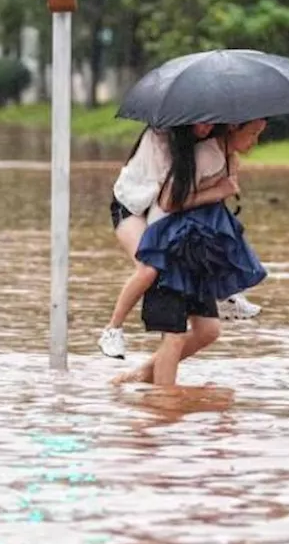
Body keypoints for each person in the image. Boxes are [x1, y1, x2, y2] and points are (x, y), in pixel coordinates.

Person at [112, 118, 268, 387]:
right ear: (232, 127)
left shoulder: (216, 154)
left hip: (188, 244)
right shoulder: (193, 150)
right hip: (164, 239)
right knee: (170, 326)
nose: (256, 141)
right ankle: (163, 400)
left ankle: (144, 375)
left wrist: (224, 184)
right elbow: (170, 201)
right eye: (253, 133)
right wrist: (219, 189)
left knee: (208, 330)